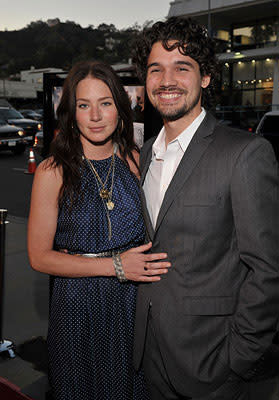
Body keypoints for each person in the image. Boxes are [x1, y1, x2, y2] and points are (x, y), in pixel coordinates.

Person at [132, 17, 279, 400]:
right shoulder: (147, 151)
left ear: (207, 77)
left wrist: (236, 358)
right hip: (149, 354)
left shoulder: (245, 153)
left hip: (214, 365)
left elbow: (268, 270)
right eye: (156, 69)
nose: (167, 81)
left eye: (182, 67)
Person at [27, 60, 171, 400]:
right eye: (83, 105)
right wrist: (116, 266)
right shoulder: (53, 171)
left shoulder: (136, 160)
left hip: (130, 304)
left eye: (105, 103)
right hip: (77, 306)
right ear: (71, 113)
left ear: (120, 110)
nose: (95, 116)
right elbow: (39, 256)